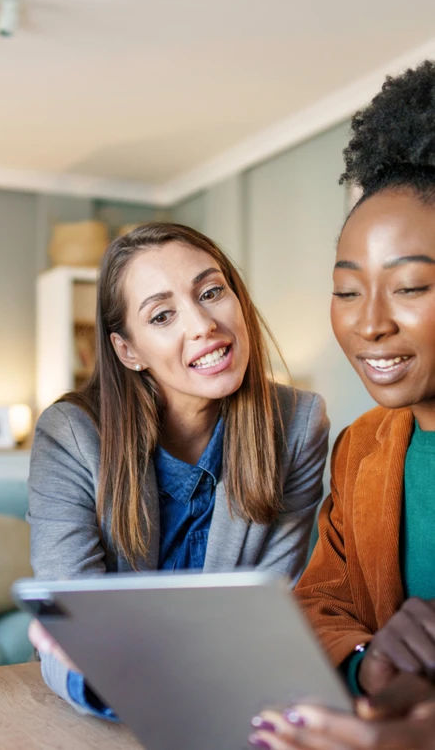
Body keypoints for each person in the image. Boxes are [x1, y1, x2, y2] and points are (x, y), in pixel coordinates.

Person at [27, 222, 330, 717]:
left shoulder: (297, 424)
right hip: (104, 700)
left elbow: (274, 608)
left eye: (211, 292)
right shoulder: (71, 434)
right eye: (163, 315)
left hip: (236, 695)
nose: (202, 324)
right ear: (128, 351)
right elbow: (74, 620)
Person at [249, 60, 435, 749]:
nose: (369, 324)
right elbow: (319, 601)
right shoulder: (361, 446)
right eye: (348, 290)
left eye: (410, 287)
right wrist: (369, 664)